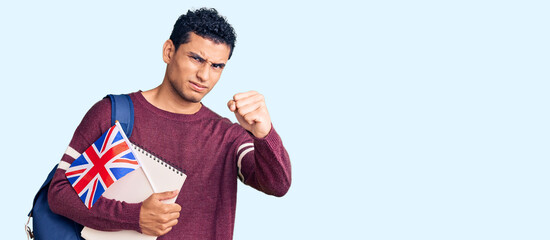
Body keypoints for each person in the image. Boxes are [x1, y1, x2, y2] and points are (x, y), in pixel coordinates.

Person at [47, 8, 291, 239]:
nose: (204, 76)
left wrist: (264, 133)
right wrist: (134, 217)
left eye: (217, 66)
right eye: (196, 58)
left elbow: (278, 185)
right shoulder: (114, 114)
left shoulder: (229, 137)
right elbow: (60, 194)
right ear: (168, 51)